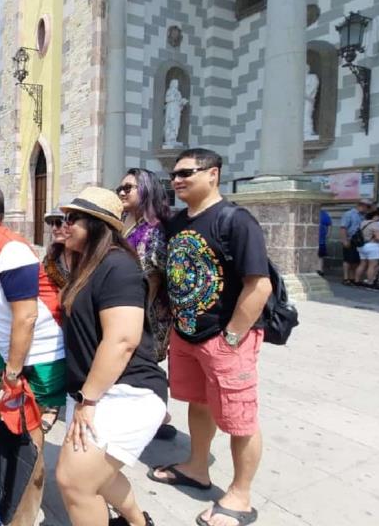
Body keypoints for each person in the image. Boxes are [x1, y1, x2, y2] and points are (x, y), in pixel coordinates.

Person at [148, 148, 272, 526]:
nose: (177, 180)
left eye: (186, 172)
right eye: (174, 175)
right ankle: (197, 467)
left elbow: (259, 285)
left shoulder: (236, 221)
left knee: (240, 418)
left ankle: (240, 495)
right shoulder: (177, 223)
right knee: (198, 404)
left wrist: (232, 337)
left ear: (213, 174)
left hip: (225, 337)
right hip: (188, 334)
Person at [0, 179, 66, 526]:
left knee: (26, 439)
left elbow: (27, 316)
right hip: (6, 347)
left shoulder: (11, 250)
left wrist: (13, 373)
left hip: (42, 353)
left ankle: (24, 514)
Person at [54, 187, 167, 526]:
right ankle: (137, 522)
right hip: (95, 390)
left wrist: (88, 401)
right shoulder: (87, 265)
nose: (64, 225)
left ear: (97, 226)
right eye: (64, 218)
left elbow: (122, 341)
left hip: (125, 391)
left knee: (74, 481)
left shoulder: (117, 266)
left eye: (73, 219)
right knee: (95, 475)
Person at [117, 168, 176, 442]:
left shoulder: (155, 229)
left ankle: (159, 416)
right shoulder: (124, 222)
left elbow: (154, 276)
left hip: (148, 310)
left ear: (147, 189)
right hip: (125, 305)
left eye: (128, 188)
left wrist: (141, 314)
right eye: (121, 188)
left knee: (146, 362)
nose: (122, 192)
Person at [340, 199, 374, 286]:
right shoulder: (349, 214)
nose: (368, 209)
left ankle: (352, 278)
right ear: (362, 206)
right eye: (368, 207)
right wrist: (344, 240)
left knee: (355, 260)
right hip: (350, 239)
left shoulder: (364, 216)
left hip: (359, 241)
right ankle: (346, 278)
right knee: (347, 260)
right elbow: (343, 228)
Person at [353, 210, 379, 289]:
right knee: (372, 266)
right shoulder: (375, 224)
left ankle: (356, 281)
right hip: (372, 246)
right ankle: (370, 283)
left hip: (361, 246)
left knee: (362, 264)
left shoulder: (363, 223)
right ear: (375, 216)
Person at [43, 207, 72, 289]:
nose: (54, 229)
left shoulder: (86, 254)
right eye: (52, 224)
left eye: (58, 223)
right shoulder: (51, 254)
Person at [317, 209, 332, 276]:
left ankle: (319, 270)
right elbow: (329, 225)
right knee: (320, 256)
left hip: (320, 238)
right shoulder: (324, 213)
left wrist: (328, 233)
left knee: (320, 255)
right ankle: (320, 270)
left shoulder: (323, 213)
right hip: (320, 238)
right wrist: (328, 233)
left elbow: (329, 224)